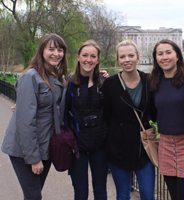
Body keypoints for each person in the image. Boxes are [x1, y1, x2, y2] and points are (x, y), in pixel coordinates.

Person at [1, 33, 69, 200]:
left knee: (34, 194)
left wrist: (99, 75)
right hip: (24, 149)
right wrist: (33, 158)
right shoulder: (31, 77)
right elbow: (25, 122)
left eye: (60, 50)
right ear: (42, 51)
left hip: (45, 146)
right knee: (33, 196)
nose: (56, 53)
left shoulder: (56, 76)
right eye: (51, 49)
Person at [102, 39, 156, 200]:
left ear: (138, 57)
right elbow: (106, 115)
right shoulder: (110, 84)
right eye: (123, 56)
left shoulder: (149, 81)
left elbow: (155, 111)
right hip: (118, 146)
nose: (127, 60)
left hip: (143, 146)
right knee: (123, 195)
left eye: (131, 55)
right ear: (118, 60)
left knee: (147, 194)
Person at [148, 39, 184, 200]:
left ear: (177, 56)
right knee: (174, 194)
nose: (164, 57)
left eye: (168, 52)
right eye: (160, 54)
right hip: (166, 143)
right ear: (156, 58)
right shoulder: (154, 82)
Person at [65, 40, 108, 200]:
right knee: (81, 192)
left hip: (100, 146)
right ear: (78, 57)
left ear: (97, 60)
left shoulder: (104, 83)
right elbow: (54, 108)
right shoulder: (68, 84)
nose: (88, 60)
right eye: (85, 55)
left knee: (100, 191)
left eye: (92, 56)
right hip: (77, 148)